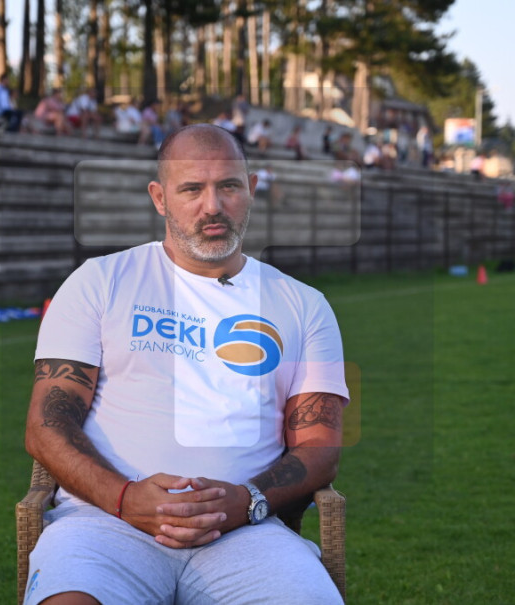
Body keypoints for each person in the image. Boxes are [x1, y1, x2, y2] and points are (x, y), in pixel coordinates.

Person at [23, 124, 349, 605]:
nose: (212, 206)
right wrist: (126, 499)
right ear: (160, 198)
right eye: (192, 189)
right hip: (104, 523)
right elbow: (46, 423)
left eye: (228, 186)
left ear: (251, 189)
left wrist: (245, 501)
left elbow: (321, 448)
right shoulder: (100, 282)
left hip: (246, 532)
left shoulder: (304, 305)